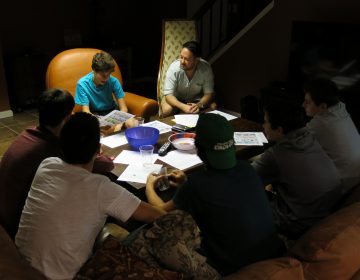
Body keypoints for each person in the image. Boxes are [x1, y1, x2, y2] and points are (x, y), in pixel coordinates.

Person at [15, 112, 165, 280]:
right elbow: (158, 217)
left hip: (18, 268)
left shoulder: (46, 165)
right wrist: (150, 186)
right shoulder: (101, 188)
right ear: (97, 149)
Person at [144, 113, 284, 276]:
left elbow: (159, 212)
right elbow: (221, 192)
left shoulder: (196, 185)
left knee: (156, 236)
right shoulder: (248, 169)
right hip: (273, 253)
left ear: (198, 148)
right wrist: (185, 184)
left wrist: (149, 185)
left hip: (235, 268)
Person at [0, 89, 114, 240]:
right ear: (66, 119)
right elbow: (105, 165)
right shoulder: (52, 147)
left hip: (4, 215)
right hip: (17, 226)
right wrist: (95, 150)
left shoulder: (29, 134)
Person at [252, 101, 342, 239]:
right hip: (328, 212)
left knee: (249, 199)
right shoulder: (311, 137)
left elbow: (247, 181)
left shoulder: (276, 154)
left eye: (265, 122)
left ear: (279, 130)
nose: (263, 126)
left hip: (299, 224)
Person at [303, 78, 360, 192]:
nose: (303, 104)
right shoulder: (340, 107)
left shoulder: (320, 124)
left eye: (308, 102)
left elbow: (294, 138)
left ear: (323, 107)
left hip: (346, 185)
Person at [161, 41, 216, 117]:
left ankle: (200, 126)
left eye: (187, 59)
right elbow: (168, 95)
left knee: (213, 106)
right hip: (176, 98)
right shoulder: (174, 68)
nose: (182, 62)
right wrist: (183, 107)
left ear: (197, 60)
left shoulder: (206, 68)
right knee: (167, 110)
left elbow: (209, 94)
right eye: (181, 57)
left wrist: (199, 105)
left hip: (196, 99)